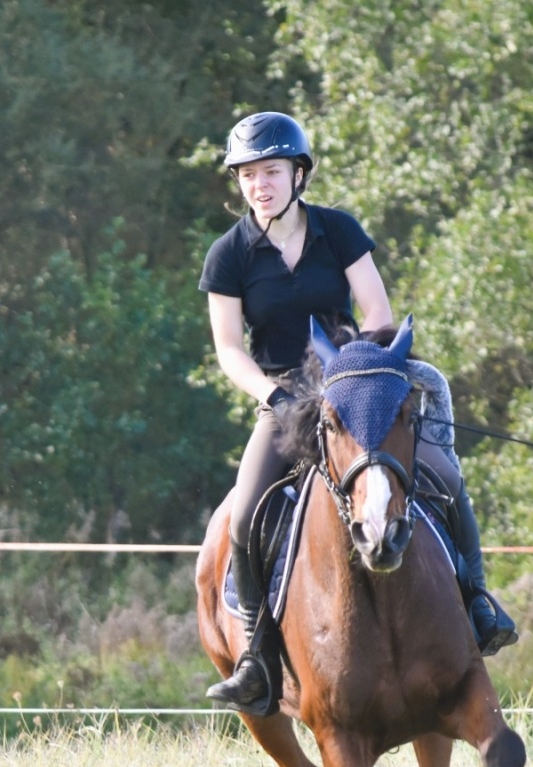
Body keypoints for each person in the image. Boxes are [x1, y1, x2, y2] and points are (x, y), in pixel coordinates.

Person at [198, 113, 515, 713]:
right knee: (243, 515)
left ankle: (477, 602)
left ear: (298, 174)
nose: (259, 185)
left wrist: (354, 372)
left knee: (445, 478)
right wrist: (271, 395)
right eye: (248, 175)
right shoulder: (228, 255)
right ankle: (257, 656)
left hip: (353, 385)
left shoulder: (338, 230)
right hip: (286, 399)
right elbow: (229, 349)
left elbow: (376, 312)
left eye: (271, 171)